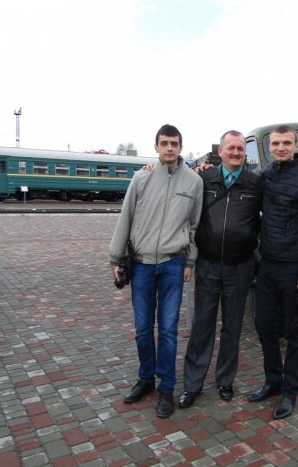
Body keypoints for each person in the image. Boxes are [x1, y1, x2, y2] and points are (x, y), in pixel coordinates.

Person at [109, 124, 203, 418]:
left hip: (174, 263)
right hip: (142, 265)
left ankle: (166, 387)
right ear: (156, 146)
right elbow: (126, 217)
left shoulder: (193, 182)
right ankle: (145, 379)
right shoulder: (141, 178)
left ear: (181, 147)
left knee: (169, 329)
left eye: (174, 143)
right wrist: (115, 257)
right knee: (142, 328)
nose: (170, 148)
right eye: (164, 143)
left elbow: (195, 227)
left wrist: (190, 262)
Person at [178, 130, 263, 408]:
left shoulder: (255, 183)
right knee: (202, 325)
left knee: (232, 327)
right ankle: (193, 384)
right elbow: (177, 180)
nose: (236, 153)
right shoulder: (203, 179)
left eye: (240, 149)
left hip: (240, 267)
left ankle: (225, 380)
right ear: (221, 151)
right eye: (231, 148)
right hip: (208, 265)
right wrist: (150, 167)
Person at [247, 124, 298, 420]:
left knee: (294, 332)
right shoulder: (267, 176)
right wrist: (204, 169)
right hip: (267, 265)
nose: (280, 148)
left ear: (296, 145)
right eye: (276, 143)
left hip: (294, 268)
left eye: (286, 143)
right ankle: (273, 380)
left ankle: (290, 392)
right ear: (269, 147)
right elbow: (241, 181)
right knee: (264, 325)